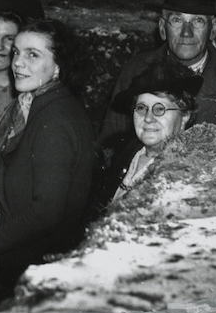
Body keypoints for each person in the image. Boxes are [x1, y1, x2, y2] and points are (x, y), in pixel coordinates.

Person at [0, 20, 95, 287]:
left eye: (32, 55)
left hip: (40, 271)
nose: (17, 63)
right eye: (17, 52)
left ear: (58, 66)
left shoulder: (55, 121)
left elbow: (46, 212)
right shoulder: (34, 108)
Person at [98, 0, 216, 147]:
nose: (186, 32)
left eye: (198, 20)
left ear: (213, 29)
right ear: (162, 28)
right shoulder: (135, 71)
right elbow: (109, 145)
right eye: (177, 20)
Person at [86, 68, 202, 220]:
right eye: (141, 108)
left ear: (185, 115)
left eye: (159, 109)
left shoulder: (187, 172)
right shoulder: (121, 154)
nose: (148, 118)